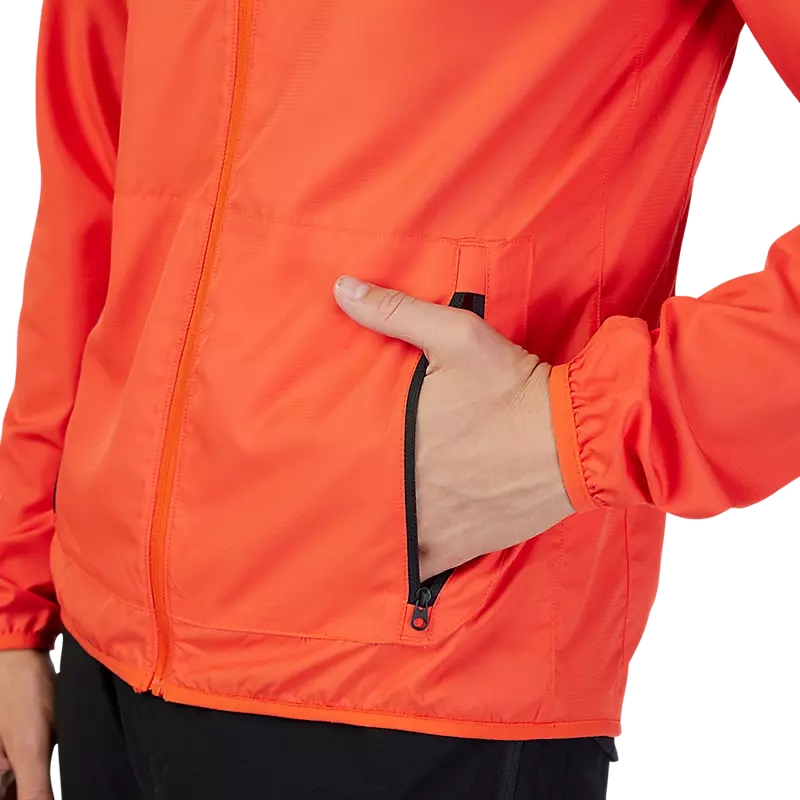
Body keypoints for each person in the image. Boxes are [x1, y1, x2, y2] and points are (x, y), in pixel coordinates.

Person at [0, 1, 798, 798]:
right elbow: (90, 185)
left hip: (424, 669)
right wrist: (16, 601)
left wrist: (579, 433)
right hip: (103, 654)